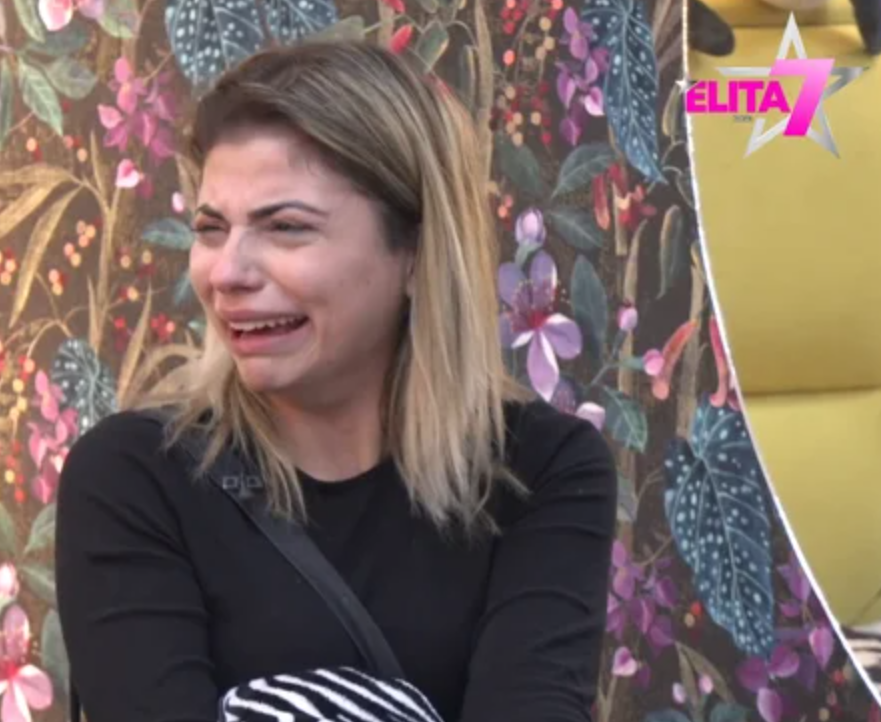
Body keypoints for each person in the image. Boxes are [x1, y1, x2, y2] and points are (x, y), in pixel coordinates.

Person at [54, 38, 617, 722]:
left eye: (286, 227)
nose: (226, 272)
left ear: (414, 252)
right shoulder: (136, 478)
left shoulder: (542, 471)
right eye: (211, 228)